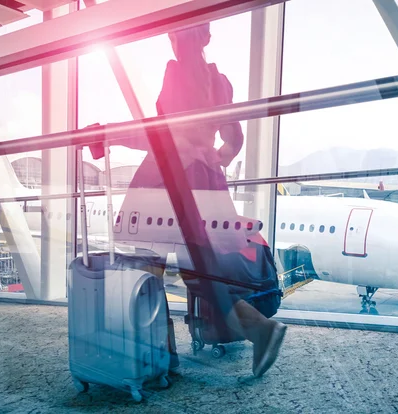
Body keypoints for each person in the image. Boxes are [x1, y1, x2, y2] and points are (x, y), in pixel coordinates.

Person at [112, 23, 286, 378]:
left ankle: (163, 356)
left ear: (174, 39)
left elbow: (160, 137)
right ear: (207, 38)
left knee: (147, 273)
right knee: (205, 272)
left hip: (163, 183)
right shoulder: (220, 81)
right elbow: (233, 141)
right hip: (205, 185)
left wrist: (111, 136)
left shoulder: (174, 73)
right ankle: (257, 329)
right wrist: (210, 157)